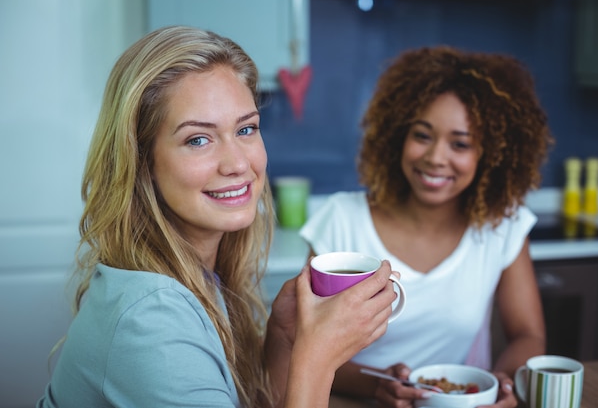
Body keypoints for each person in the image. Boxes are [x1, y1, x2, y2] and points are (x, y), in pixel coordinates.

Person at [37, 25, 399, 408]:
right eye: (198, 139)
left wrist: (282, 340)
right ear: (142, 162)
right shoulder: (151, 321)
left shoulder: (199, 279)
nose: (239, 163)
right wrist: (318, 359)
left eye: (246, 129)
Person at [300, 46, 553, 407]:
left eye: (460, 143)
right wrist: (377, 386)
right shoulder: (341, 220)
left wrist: (501, 383)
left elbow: (528, 335)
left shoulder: (501, 226)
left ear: (492, 155)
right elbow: (304, 345)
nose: (435, 157)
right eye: (422, 135)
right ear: (397, 136)